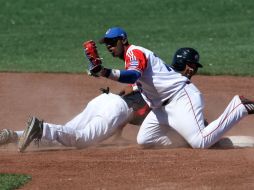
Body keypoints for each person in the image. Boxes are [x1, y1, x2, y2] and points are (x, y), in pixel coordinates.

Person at [1, 47, 253, 149]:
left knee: (68, 133)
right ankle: (41, 127)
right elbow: (132, 111)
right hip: (116, 109)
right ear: (186, 67)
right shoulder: (167, 90)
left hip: (104, 101)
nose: (193, 71)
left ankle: (15, 134)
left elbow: (131, 91)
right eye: (193, 67)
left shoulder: (150, 80)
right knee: (80, 139)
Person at [80, 26, 254, 149]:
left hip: (181, 98)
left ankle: (238, 107)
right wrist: (104, 72)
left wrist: (104, 71)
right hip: (161, 109)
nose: (109, 46)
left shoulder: (134, 52)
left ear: (123, 40)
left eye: (112, 42)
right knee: (145, 140)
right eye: (106, 44)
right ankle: (185, 135)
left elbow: (133, 75)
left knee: (200, 143)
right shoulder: (130, 57)